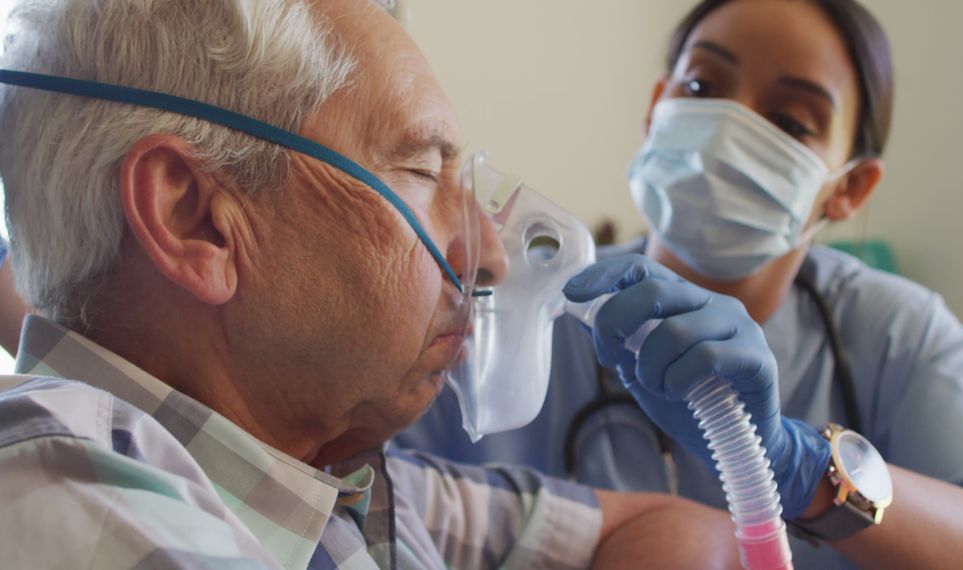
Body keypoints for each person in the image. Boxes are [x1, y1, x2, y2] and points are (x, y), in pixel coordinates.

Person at [0, 1, 745, 568]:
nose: (490, 256)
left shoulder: (328, 481)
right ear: (195, 219)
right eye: (422, 172)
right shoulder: (54, 482)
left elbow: (677, 530)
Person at [399, 0, 963, 568]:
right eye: (701, 89)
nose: (727, 125)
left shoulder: (896, 335)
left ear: (850, 188)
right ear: (656, 107)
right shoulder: (527, 307)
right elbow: (366, 491)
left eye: (789, 122)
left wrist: (800, 468)